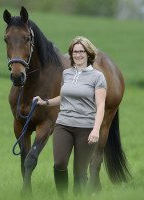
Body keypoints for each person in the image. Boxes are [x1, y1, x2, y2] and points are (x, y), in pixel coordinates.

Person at [33, 36, 107, 197]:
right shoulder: (67, 73)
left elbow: (101, 106)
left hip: (86, 128)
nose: (78, 55)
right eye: (74, 52)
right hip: (63, 125)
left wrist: (95, 129)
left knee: (79, 172)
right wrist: (44, 102)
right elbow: (63, 97)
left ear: (88, 54)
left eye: (81, 51)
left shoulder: (97, 77)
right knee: (59, 163)